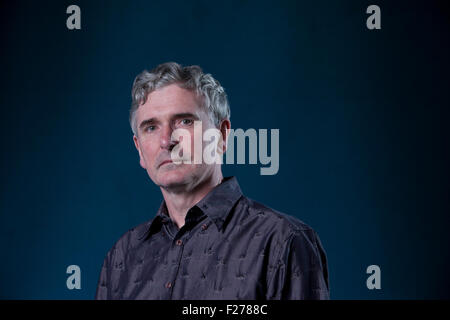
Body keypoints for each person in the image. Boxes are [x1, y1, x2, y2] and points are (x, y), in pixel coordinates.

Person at [95, 62, 330, 300]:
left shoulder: (283, 241)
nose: (166, 141)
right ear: (139, 150)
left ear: (221, 136)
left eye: (184, 121)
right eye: (151, 127)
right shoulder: (121, 258)